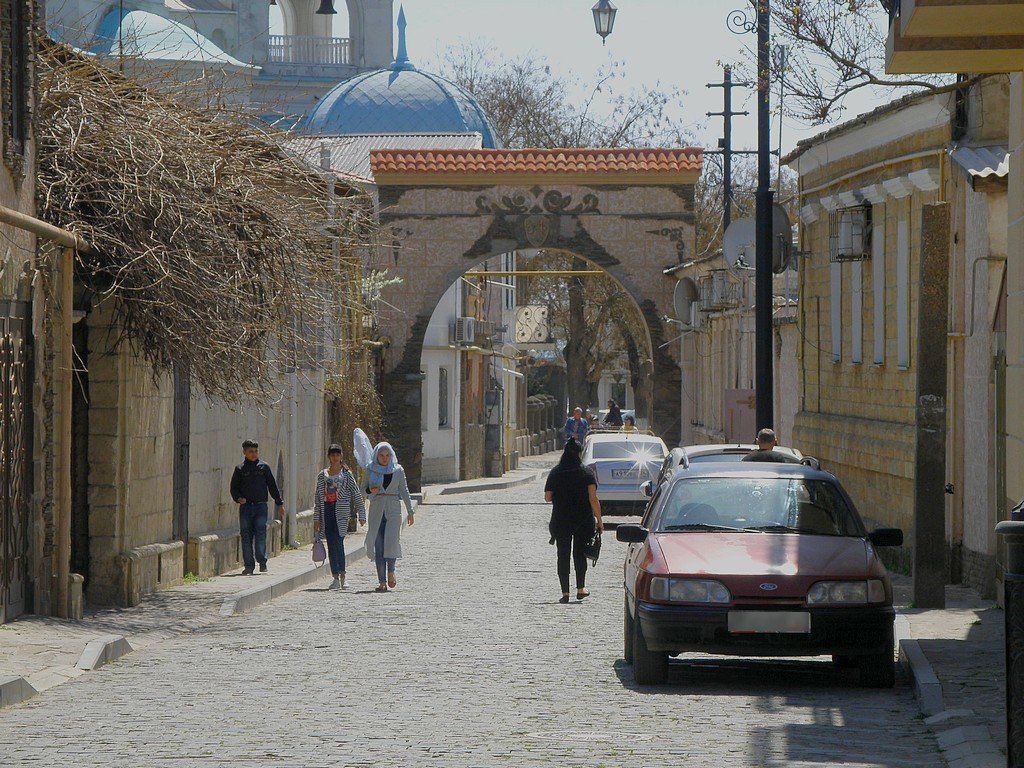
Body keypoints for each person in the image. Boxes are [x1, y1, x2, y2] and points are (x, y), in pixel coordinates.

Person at [544, 439, 604, 603]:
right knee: (580, 554)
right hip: (583, 519)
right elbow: (593, 498)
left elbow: (547, 497)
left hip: (561, 519)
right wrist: (599, 520)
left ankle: (565, 593)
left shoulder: (556, 472)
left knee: (562, 554)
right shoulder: (586, 473)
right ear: (579, 454)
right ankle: (580, 588)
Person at [363, 442, 415, 592]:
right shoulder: (370, 469)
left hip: (393, 509)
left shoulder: (397, 470)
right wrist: (369, 489)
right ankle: (381, 581)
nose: (384, 459)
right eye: (381, 455)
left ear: (391, 456)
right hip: (377, 508)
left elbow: (404, 491)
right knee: (378, 545)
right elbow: (362, 490)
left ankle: (391, 571)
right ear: (376, 455)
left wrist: (410, 511)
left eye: (387, 455)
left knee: (391, 542)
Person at [313, 444, 366, 590]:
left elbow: (355, 494)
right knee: (331, 544)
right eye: (333, 455)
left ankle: (343, 575)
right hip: (327, 511)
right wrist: (316, 519)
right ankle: (335, 577)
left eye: (338, 455)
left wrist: (362, 514)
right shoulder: (322, 475)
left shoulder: (347, 475)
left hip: (341, 512)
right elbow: (318, 499)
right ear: (329, 457)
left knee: (339, 542)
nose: (335, 458)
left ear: (341, 456)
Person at [229, 439, 285, 575]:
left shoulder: (264, 467)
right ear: (244, 453)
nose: (254, 454)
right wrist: (238, 499)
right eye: (250, 452)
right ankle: (249, 565)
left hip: (261, 507)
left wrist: (279, 503)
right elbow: (234, 488)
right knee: (246, 536)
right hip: (246, 508)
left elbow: (272, 486)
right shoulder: (240, 469)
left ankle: (262, 560)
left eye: (255, 451)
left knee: (260, 534)